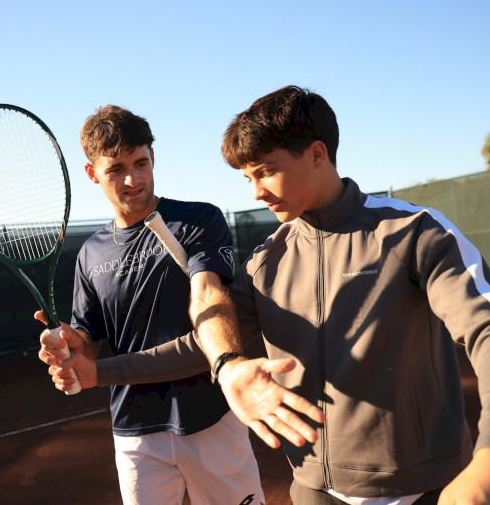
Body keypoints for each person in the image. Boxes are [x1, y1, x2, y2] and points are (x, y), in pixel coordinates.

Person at [47, 86, 490, 504]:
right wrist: (98, 372)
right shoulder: (266, 261)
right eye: (248, 178)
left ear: (317, 154)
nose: (257, 191)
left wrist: (486, 461)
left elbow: (484, 330)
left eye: (266, 171)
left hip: (427, 488)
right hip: (313, 490)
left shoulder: (412, 231)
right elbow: (203, 340)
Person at [36, 104, 324, 505]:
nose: (133, 179)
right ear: (92, 174)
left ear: (153, 158)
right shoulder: (90, 253)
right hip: (134, 431)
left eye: (141, 162)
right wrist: (74, 342)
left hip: (211, 418)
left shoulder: (196, 220)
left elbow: (209, 294)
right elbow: (92, 336)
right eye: (116, 169)